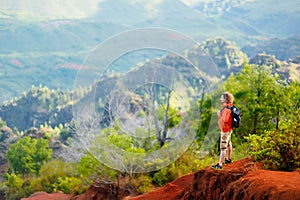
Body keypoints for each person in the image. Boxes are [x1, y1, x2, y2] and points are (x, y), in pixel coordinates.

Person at [211, 92, 234, 170]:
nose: (220, 99)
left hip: (225, 130)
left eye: (222, 97)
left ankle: (220, 164)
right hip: (229, 129)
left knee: (223, 147)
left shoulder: (226, 109)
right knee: (228, 143)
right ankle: (228, 159)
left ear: (225, 99)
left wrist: (219, 115)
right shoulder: (230, 106)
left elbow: (225, 119)